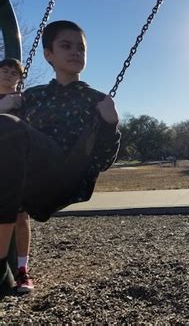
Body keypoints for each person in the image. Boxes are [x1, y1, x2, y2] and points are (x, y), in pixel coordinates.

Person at [0, 21, 121, 291]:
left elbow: (103, 162)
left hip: (67, 174)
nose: (76, 52)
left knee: (6, 125)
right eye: (66, 46)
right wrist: (6, 106)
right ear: (48, 55)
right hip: (31, 178)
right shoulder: (33, 96)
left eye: (81, 48)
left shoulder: (96, 100)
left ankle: (8, 268)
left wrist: (111, 125)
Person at [0, 58, 34, 293]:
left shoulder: (25, 104)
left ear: (20, 79)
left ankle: (23, 271)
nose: (9, 75)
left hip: (17, 167)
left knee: (21, 218)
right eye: (4, 70)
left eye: (14, 73)